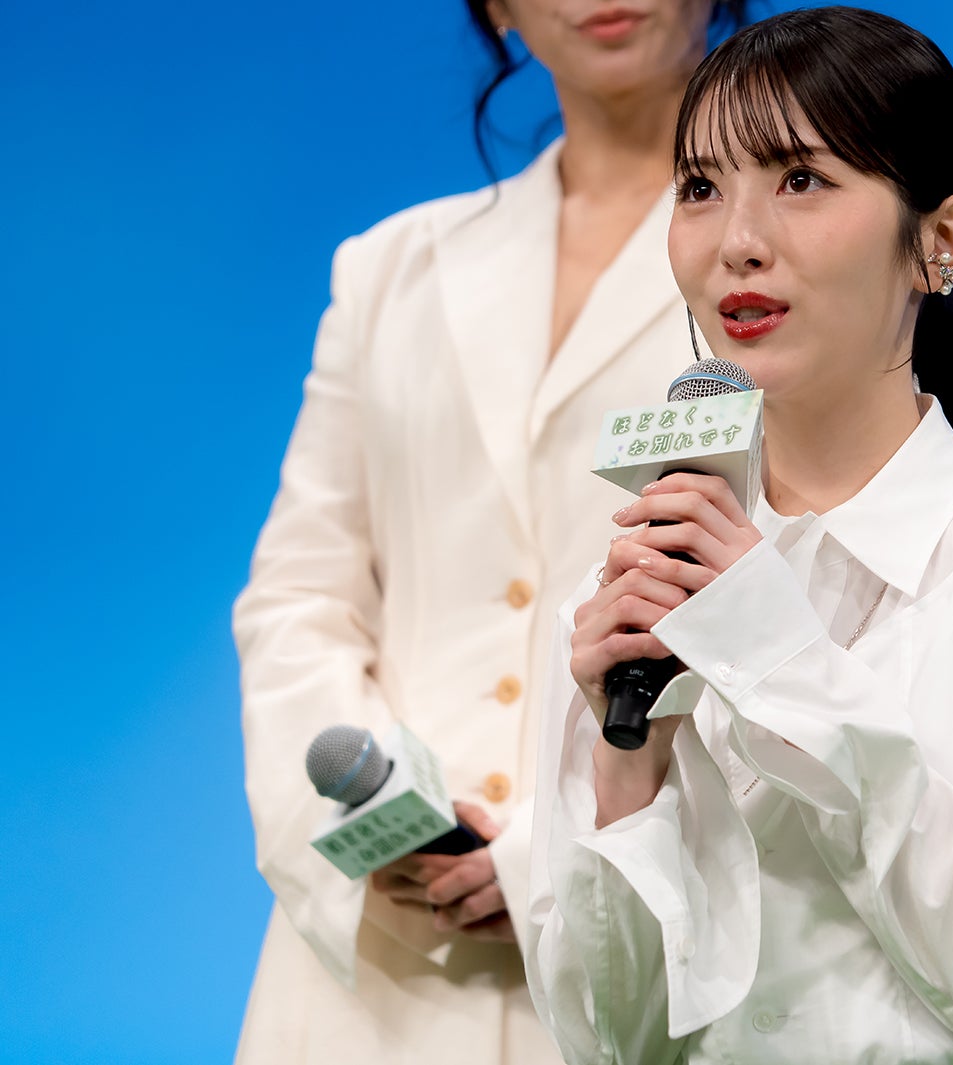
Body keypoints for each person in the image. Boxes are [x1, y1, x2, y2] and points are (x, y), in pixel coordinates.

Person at [523, 7, 953, 1064]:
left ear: (940, 239)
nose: (736, 241)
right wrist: (630, 768)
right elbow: (607, 1042)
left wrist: (773, 651)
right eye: (699, 188)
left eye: (800, 179)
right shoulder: (626, 599)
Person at [233, 2, 745, 1061]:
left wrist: (573, 851)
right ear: (499, 11)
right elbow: (299, 593)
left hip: (648, 941)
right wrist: (368, 813)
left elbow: (820, 606)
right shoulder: (391, 269)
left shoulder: (790, 259)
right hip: (380, 970)